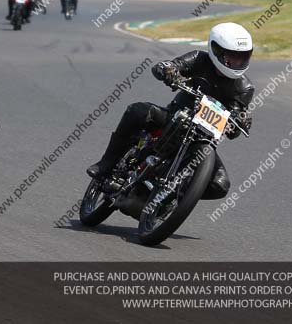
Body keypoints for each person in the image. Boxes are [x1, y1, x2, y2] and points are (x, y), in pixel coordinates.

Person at [86, 22, 255, 200]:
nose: (238, 62)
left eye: (243, 57)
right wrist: (168, 69)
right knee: (138, 111)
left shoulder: (245, 88)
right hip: (174, 117)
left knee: (220, 185)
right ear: (216, 51)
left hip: (202, 140)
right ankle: (107, 163)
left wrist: (240, 120)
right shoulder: (198, 59)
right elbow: (171, 65)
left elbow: (234, 127)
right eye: (233, 57)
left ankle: (169, 199)